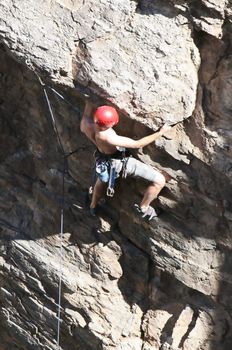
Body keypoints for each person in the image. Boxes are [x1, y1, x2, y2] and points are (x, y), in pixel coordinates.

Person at [80, 99, 171, 220]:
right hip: (117, 163)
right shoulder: (108, 137)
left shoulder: (86, 123)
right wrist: (160, 132)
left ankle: (93, 205)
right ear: (112, 124)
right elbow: (137, 144)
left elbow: (89, 101)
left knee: (101, 180)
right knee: (160, 180)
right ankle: (144, 208)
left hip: (102, 158)